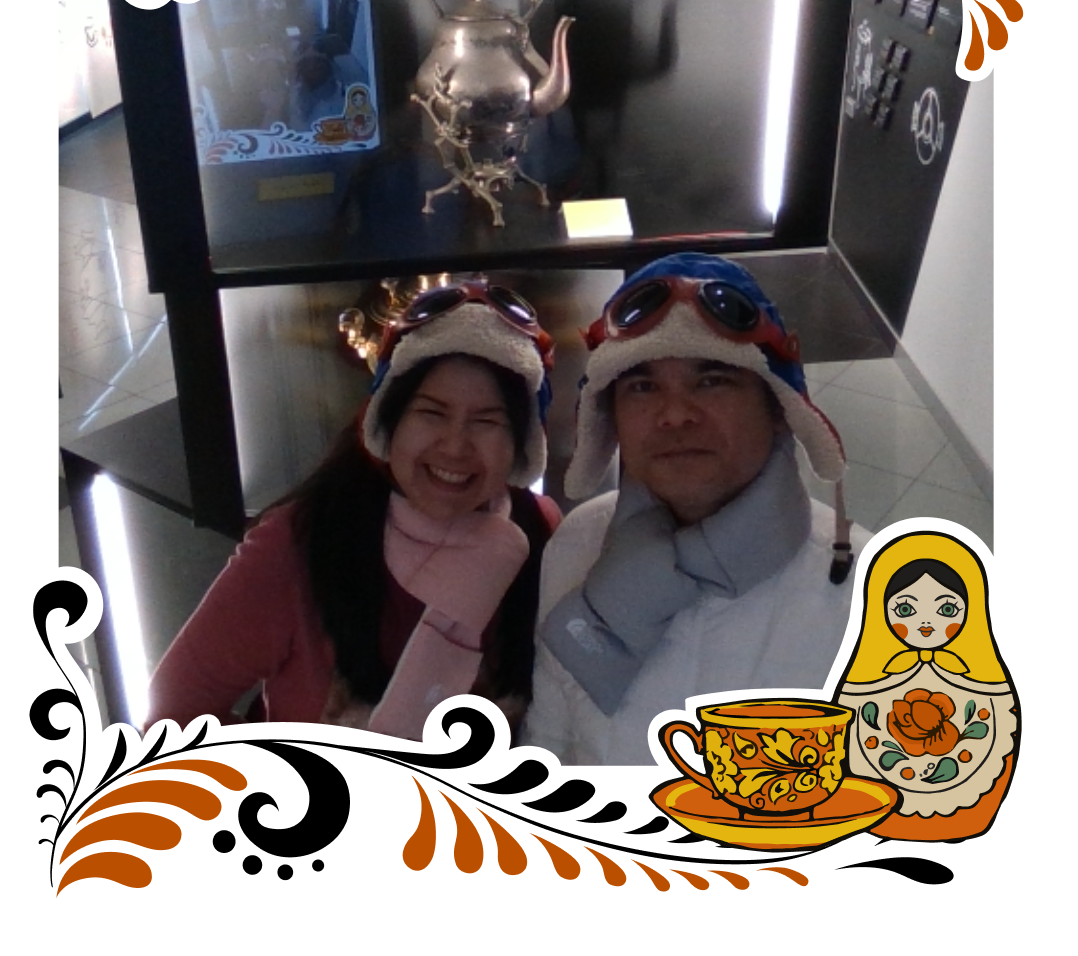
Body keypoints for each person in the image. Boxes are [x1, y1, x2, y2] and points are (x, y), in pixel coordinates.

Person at [147, 281, 560, 740]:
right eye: (432, 413)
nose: (455, 446)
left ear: (523, 444)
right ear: (386, 420)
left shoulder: (540, 533)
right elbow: (172, 723)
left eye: (487, 421)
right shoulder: (299, 545)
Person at [522, 252, 868, 766]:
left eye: (712, 380)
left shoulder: (876, 596)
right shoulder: (578, 542)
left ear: (779, 408)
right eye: (643, 386)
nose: (675, 414)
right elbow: (546, 744)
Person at [836, 531, 1019, 841]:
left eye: (946, 610)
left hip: (970, 814)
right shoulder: (865, 684)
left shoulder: (989, 687)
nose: (925, 624)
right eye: (905, 610)